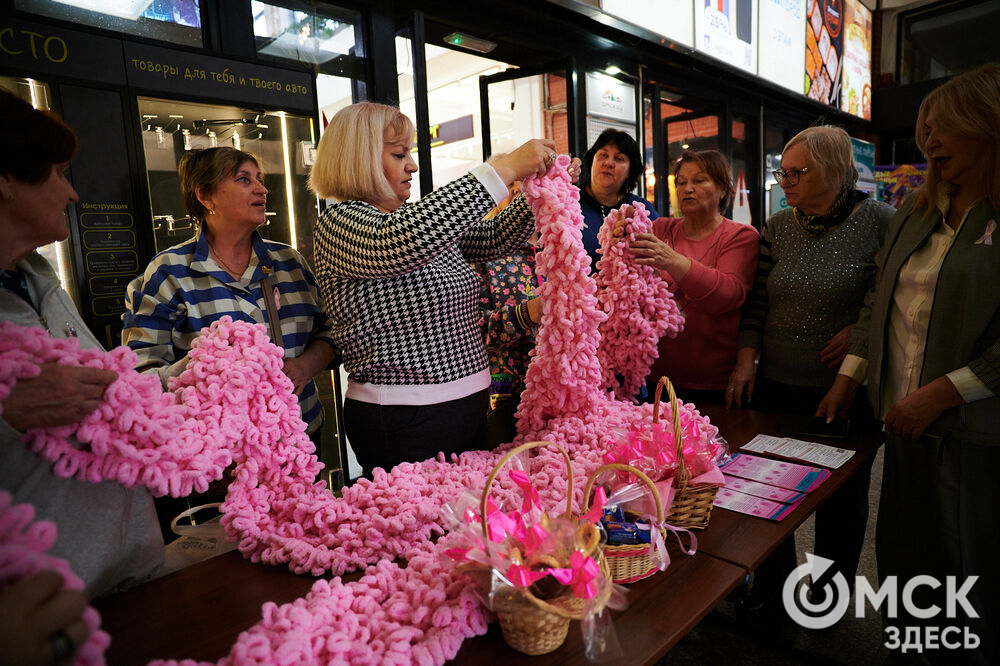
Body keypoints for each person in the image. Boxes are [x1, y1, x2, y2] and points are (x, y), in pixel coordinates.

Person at [819, 64, 1000, 663]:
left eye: (945, 129)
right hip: (905, 426)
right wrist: (851, 377)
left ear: (990, 128)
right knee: (907, 557)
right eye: (926, 131)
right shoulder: (916, 213)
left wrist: (942, 393)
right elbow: (879, 302)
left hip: (976, 438)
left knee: (967, 564)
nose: (931, 144)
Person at [310, 101, 556, 476]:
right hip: (403, 418)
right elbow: (403, 240)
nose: (412, 165)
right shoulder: (341, 223)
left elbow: (492, 237)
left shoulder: (413, 223)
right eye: (399, 154)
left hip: (465, 404)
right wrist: (503, 169)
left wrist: (544, 190)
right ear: (359, 159)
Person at [0, 90, 164, 606]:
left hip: (125, 572)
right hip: (37, 618)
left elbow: (109, 393)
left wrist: (191, 375)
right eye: (57, 173)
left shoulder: (38, 278)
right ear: (6, 179)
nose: (72, 194)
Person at [728, 125, 896, 611]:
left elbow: (888, 295)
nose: (787, 182)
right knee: (764, 489)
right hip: (778, 384)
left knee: (841, 501)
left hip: (842, 389)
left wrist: (858, 331)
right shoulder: (779, 225)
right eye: (784, 172)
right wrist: (745, 358)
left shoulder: (880, 220)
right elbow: (757, 300)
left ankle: (830, 599)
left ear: (837, 170)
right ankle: (773, 591)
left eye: (799, 172)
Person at [122, 147, 337, 446]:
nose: (262, 188)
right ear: (205, 196)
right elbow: (138, 376)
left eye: (259, 178)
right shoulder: (167, 273)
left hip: (299, 437)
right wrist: (205, 367)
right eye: (243, 179)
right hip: (217, 451)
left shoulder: (289, 262)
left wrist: (305, 366)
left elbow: (332, 331)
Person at [628, 149, 758, 404]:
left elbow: (726, 296)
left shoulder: (740, 236)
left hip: (715, 381)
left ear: (723, 189)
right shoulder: (660, 228)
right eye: (682, 182)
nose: (688, 188)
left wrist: (671, 260)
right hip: (658, 377)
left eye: (699, 180)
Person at [579, 129, 658, 271]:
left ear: (630, 172)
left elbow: (657, 260)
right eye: (603, 155)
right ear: (592, 161)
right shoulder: (568, 203)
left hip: (628, 291)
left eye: (619, 158)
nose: (609, 163)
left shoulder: (641, 210)